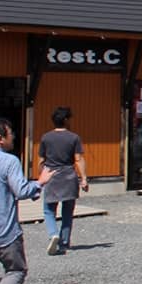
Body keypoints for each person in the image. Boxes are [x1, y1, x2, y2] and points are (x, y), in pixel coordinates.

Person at [1, 118, 55, 284]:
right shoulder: (9, 161)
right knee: (16, 271)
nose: (13, 136)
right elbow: (21, 190)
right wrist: (40, 182)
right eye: (10, 133)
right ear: (0, 138)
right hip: (4, 231)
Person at [38, 106, 87, 256]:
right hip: (68, 175)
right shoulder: (74, 137)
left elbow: (41, 160)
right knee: (67, 211)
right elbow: (78, 159)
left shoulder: (46, 137)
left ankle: (53, 233)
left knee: (48, 210)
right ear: (66, 120)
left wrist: (41, 178)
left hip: (52, 175)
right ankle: (64, 243)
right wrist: (84, 178)